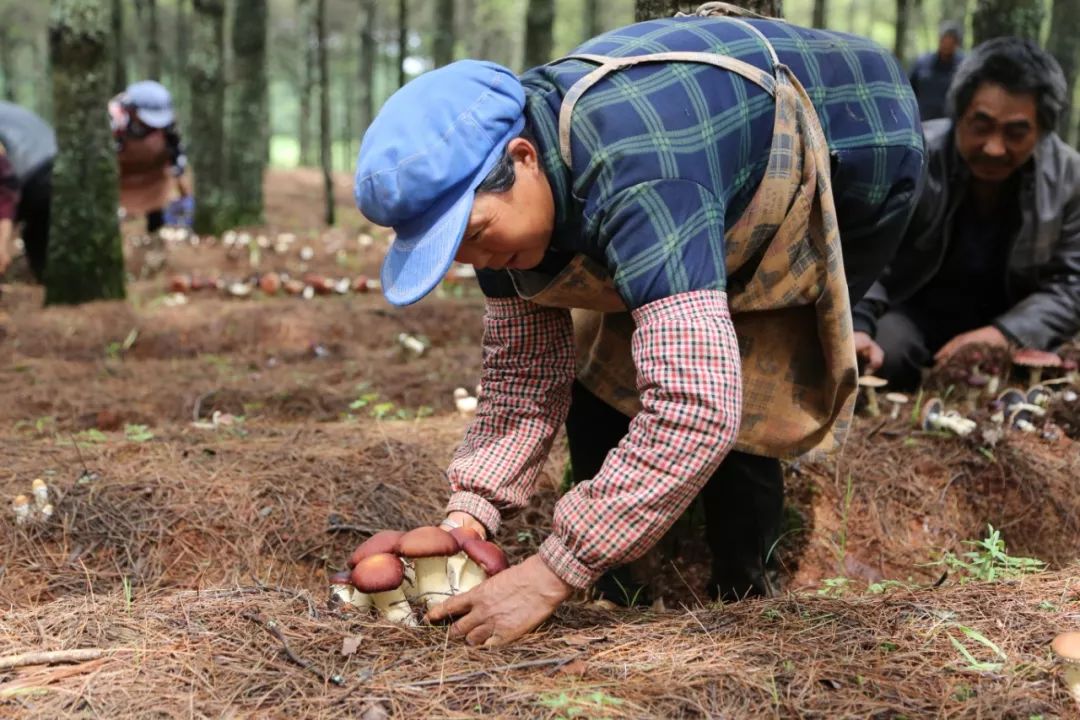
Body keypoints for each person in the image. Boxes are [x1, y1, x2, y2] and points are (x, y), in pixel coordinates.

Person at [353, 7, 924, 646]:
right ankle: (626, 580)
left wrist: (549, 573)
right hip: (694, 157)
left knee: (742, 366)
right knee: (613, 375)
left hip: (860, 140)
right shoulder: (499, 208)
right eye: (456, 252)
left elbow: (697, 407)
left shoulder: (640, 167)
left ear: (524, 157)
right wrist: (473, 512)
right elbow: (522, 377)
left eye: (478, 236)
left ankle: (744, 592)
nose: (480, 262)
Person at [853, 38, 1080, 390]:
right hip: (912, 312)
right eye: (981, 125)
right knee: (884, 356)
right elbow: (868, 252)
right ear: (958, 115)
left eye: (1016, 133)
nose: (994, 147)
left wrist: (1003, 334)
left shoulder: (1070, 179)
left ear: (1043, 132)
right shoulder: (915, 156)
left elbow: (1072, 285)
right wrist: (859, 324)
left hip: (1014, 324)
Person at [108, 80, 188, 234]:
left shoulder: (167, 122)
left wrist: (178, 169)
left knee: (157, 202)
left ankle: (155, 230)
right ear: (132, 110)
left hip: (153, 173)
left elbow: (176, 146)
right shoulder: (115, 118)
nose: (153, 125)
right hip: (122, 173)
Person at [0, 102, 56, 281]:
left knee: (38, 226)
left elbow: (5, 189)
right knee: (38, 227)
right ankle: (43, 274)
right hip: (52, 162)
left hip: (29, 173)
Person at [909, 21, 965, 121]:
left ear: (957, 44)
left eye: (951, 40)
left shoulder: (963, 67)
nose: (947, 44)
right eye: (944, 39)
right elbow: (909, 90)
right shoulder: (923, 63)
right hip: (922, 122)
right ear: (939, 40)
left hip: (949, 124)